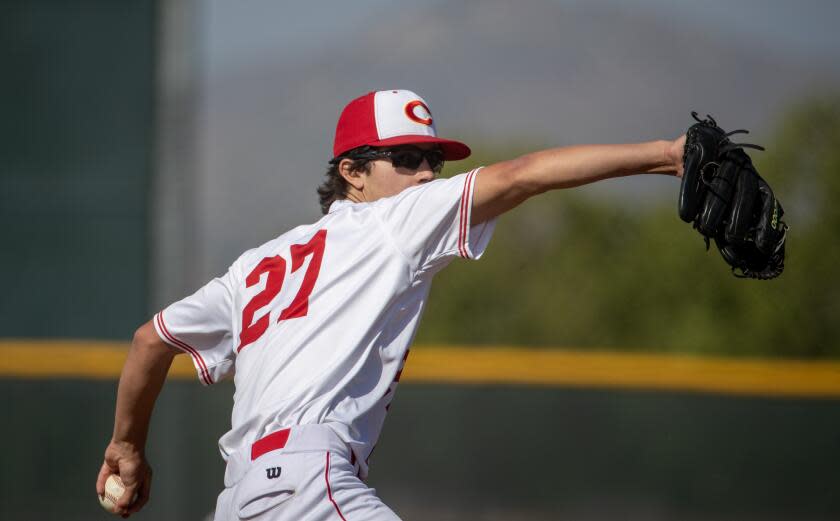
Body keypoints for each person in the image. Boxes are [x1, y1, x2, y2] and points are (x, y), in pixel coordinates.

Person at [96, 89, 686, 520]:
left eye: (434, 161)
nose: (427, 174)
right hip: (307, 484)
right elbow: (525, 174)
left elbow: (152, 340)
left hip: (241, 500)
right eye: (405, 160)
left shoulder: (254, 266)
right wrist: (667, 154)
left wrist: (126, 446)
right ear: (352, 173)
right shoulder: (392, 221)